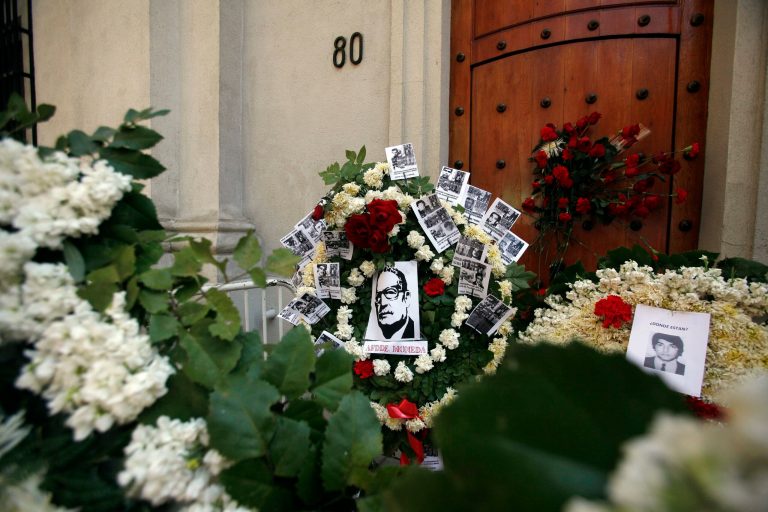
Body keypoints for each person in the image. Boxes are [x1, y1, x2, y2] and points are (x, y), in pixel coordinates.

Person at [374, 266, 415, 339]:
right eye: (378, 296)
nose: (383, 303)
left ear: (406, 298)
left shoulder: (415, 332)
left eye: (390, 292)